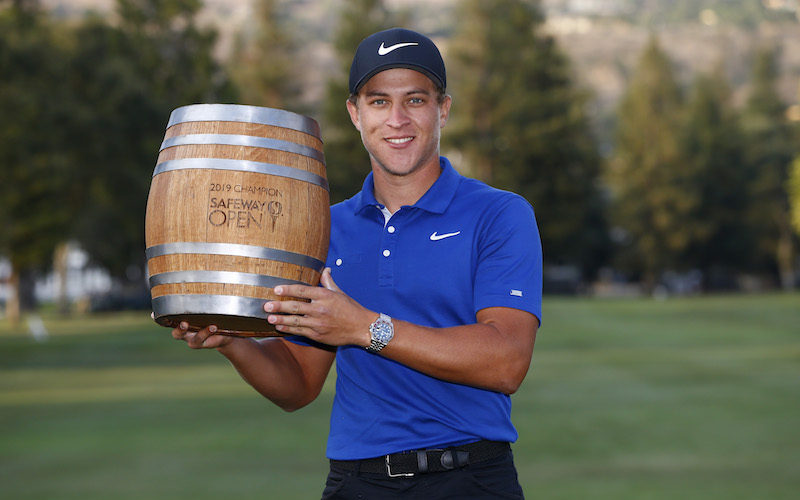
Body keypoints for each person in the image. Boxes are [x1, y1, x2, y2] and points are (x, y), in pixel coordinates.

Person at [172, 27, 542, 499]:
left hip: (469, 477)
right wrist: (233, 344)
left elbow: (507, 361)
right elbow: (300, 384)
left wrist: (365, 327)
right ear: (355, 113)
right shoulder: (323, 228)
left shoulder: (499, 213)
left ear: (442, 109)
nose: (397, 120)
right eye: (379, 101)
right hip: (354, 481)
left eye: (415, 100)